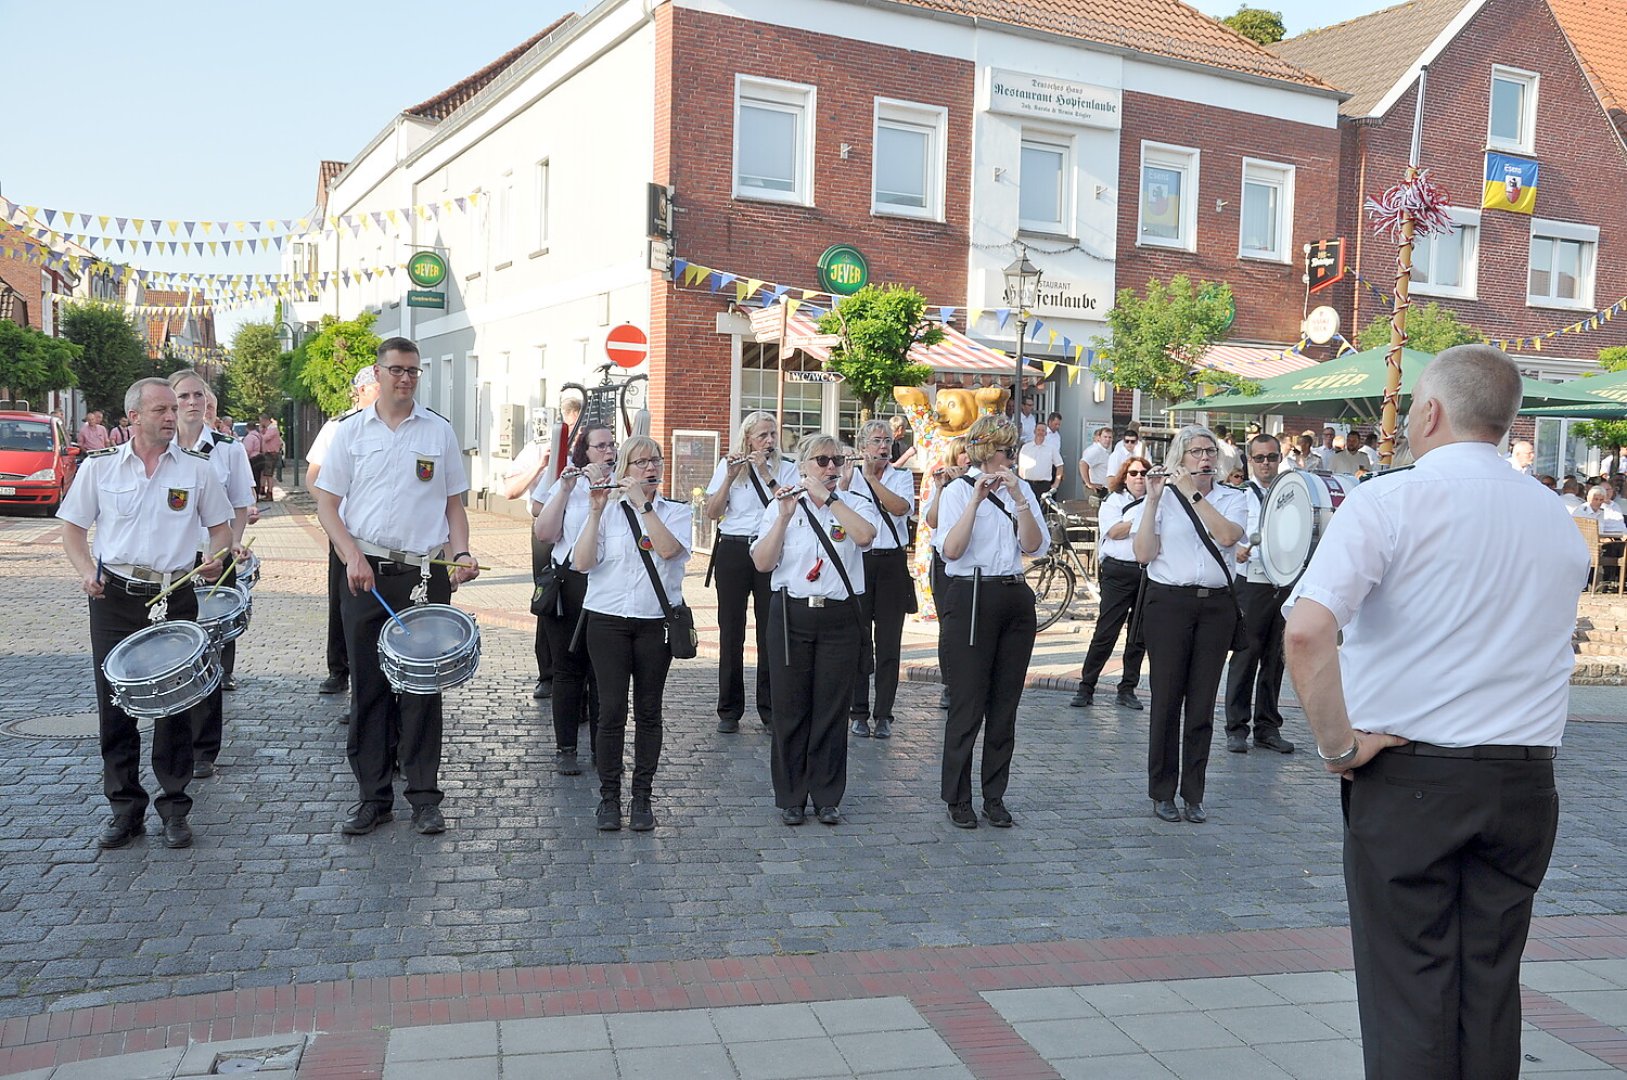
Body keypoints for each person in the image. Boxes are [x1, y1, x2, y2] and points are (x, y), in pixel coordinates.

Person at [1282, 344, 1587, 1080]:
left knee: (1407, 988)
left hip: (1411, 774)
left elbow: (1305, 629)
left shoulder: (1391, 498)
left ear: (1429, 411)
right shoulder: (1554, 515)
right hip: (1521, 780)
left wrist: (1336, 748)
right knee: (1486, 988)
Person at [314, 337, 480, 837]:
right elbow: (327, 505)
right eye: (396, 370)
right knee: (369, 689)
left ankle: (425, 797)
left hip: (424, 578)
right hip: (364, 576)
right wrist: (352, 556)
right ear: (378, 374)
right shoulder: (349, 433)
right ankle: (372, 797)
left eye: (412, 371)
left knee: (422, 690)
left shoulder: (439, 432)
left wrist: (463, 552)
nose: (404, 378)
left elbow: (454, 506)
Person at [57, 378, 233, 850]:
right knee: (115, 704)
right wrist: (84, 572)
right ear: (133, 416)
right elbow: (73, 530)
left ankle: (174, 807)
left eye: (173, 408)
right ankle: (124, 808)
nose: (171, 416)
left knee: (174, 704)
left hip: (173, 596)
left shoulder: (196, 470)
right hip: (115, 597)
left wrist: (216, 555)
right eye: (160, 409)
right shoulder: (101, 469)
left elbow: (221, 529)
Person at [752, 434, 878, 825]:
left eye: (836, 461)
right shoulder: (783, 504)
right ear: (803, 466)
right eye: (822, 461)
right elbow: (761, 562)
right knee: (790, 708)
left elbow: (865, 536)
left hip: (839, 616)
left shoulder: (853, 502)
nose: (830, 468)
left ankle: (826, 795)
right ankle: (791, 795)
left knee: (830, 710)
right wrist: (785, 516)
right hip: (792, 614)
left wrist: (832, 500)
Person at [572, 435, 690, 832]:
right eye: (640, 462)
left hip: (654, 621)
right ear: (623, 469)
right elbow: (583, 562)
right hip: (607, 620)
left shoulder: (673, 511)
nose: (650, 468)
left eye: (655, 460)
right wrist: (592, 512)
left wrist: (644, 505)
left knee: (649, 711)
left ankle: (642, 797)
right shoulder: (606, 510)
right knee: (610, 712)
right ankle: (609, 798)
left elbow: (669, 550)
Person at [935, 415, 1048, 829]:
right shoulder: (958, 491)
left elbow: (1033, 546)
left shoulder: (1024, 491)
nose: (1010, 458)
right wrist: (975, 502)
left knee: (1005, 706)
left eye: (1012, 451)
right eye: (1005, 451)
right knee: (967, 704)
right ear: (986, 452)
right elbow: (951, 549)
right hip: (971, 593)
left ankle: (994, 794)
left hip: (1014, 593)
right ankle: (957, 796)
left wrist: (1020, 500)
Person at [1133, 425, 1248, 824]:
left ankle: (1193, 793)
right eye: (1196, 452)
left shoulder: (1233, 498)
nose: (1205, 459)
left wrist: (1195, 495)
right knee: (1166, 700)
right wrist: (1151, 501)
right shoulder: (1163, 498)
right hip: (1170, 604)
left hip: (1215, 607)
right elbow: (1144, 554)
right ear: (1179, 457)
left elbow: (1229, 536)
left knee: (1202, 703)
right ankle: (1162, 791)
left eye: (1210, 452)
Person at [169, 370, 255, 775]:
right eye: (183, 396)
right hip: (171, 565)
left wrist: (230, 546)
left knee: (207, 651)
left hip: (216, 563)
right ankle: (173, 736)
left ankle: (204, 748)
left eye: (198, 395)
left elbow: (240, 504)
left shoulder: (227, 449)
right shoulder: (156, 448)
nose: (192, 403)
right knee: (172, 651)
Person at [704, 412, 800, 734]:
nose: (770, 441)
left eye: (773, 434)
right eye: (762, 436)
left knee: (769, 630)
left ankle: (770, 709)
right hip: (733, 548)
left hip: (768, 550)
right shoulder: (728, 466)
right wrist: (730, 477)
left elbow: (788, 503)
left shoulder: (786, 468)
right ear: (747, 438)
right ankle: (729, 710)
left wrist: (763, 471)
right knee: (731, 630)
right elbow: (712, 512)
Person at [532, 422, 616, 776]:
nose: (608, 451)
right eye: (600, 446)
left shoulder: (624, 486)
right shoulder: (571, 483)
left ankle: (603, 748)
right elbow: (546, 532)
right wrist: (564, 490)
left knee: (603, 672)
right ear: (584, 451)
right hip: (570, 584)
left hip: (609, 586)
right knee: (568, 671)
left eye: (612, 445)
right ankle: (566, 747)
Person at [306, 367, 382, 696]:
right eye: (377, 386)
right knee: (342, 599)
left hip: (380, 530)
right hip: (344, 529)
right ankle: (339, 669)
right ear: (362, 390)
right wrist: (331, 512)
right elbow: (314, 477)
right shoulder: (337, 427)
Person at [1223, 433, 1295, 755]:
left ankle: (1267, 727)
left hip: (1283, 583)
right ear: (1249, 461)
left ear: (1280, 458)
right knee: (1246, 654)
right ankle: (1236, 727)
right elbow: (1224, 534)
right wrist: (1237, 548)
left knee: (1275, 658)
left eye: (1272, 457)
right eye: (1259, 458)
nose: (1266, 463)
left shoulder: (1292, 495)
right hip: (1251, 583)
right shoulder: (1238, 496)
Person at [845, 419, 914, 740]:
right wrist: (853, 478)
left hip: (892, 563)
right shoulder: (848, 477)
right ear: (862, 447)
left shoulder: (901, 478)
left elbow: (900, 509)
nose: (883, 446)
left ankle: (884, 713)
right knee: (859, 640)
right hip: (860, 561)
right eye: (876, 441)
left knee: (889, 643)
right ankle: (858, 711)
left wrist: (872, 480)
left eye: (887, 440)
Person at [1068, 455, 1150, 710]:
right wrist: (1143, 523)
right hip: (1117, 571)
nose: (1139, 478)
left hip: (1146, 572)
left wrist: (1135, 525)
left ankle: (1127, 688)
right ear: (1125, 478)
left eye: (1143, 473)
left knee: (1138, 635)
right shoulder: (1114, 501)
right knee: (1106, 632)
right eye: (1134, 473)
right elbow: (1113, 531)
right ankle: (1086, 686)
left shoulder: (1156, 502)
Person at [504, 417, 562, 702]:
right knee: (547, 597)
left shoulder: (589, 447)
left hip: (578, 530)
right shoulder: (536, 448)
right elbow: (510, 491)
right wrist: (541, 466)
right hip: (544, 530)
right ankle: (547, 675)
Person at [1016, 423, 1063, 505]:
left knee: (1042, 513)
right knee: (1028, 510)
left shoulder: (1051, 448)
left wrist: (1056, 484)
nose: (1040, 432)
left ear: (1045, 433)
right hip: (1028, 485)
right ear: (1034, 431)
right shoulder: (1026, 447)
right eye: (1038, 430)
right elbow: (1020, 466)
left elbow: (1060, 466)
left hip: (1044, 486)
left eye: (1043, 430)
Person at [1079, 426, 1113, 499]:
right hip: (1096, 490)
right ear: (1099, 438)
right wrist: (1088, 483)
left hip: (1102, 489)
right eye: (1105, 437)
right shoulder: (1096, 450)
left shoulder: (1102, 451)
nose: (1107, 440)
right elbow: (1083, 463)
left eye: (1110, 437)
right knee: (1094, 510)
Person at [257, 413, 282, 500]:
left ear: (264, 420)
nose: (260, 423)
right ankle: (264, 490)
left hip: (271, 453)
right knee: (265, 473)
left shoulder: (272, 429)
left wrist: (260, 431)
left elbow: (264, 438)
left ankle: (269, 493)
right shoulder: (269, 429)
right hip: (268, 453)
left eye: (261, 421)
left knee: (269, 474)